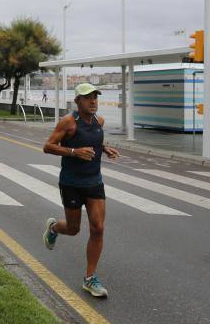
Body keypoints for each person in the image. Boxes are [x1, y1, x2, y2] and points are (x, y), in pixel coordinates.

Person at [41, 83, 120, 298]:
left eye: (96, 97)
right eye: (88, 97)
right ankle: (55, 228)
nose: (93, 101)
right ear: (77, 101)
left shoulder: (99, 121)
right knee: (74, 229)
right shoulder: (68, 122)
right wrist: (74, 152)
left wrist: (105, 148)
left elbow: (94, 140)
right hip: (71, 183)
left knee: (98, 228)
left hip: (94, 182)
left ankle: (90, 278)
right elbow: (48, 146)